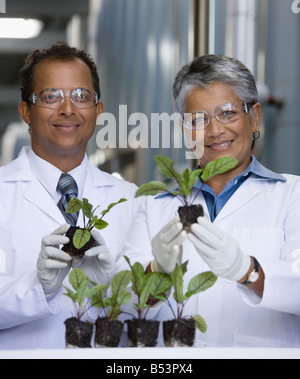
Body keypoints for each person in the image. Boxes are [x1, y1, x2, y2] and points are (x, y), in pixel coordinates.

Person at [120, 55, 300, 348]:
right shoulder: (155, 206)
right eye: (198, 119)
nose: (214, 130)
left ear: (254, 117)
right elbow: (121, 307)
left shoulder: (292, 195)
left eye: (227, 113)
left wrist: (247, 269)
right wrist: (156, 272)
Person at [0, 42, 139, 350]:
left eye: (81, 96)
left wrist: (112, 285)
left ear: (98, 110)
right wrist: (39, 288)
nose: (67, 109)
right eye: (51, 96)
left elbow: (151, 313)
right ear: (26, 110)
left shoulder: (131, 201)